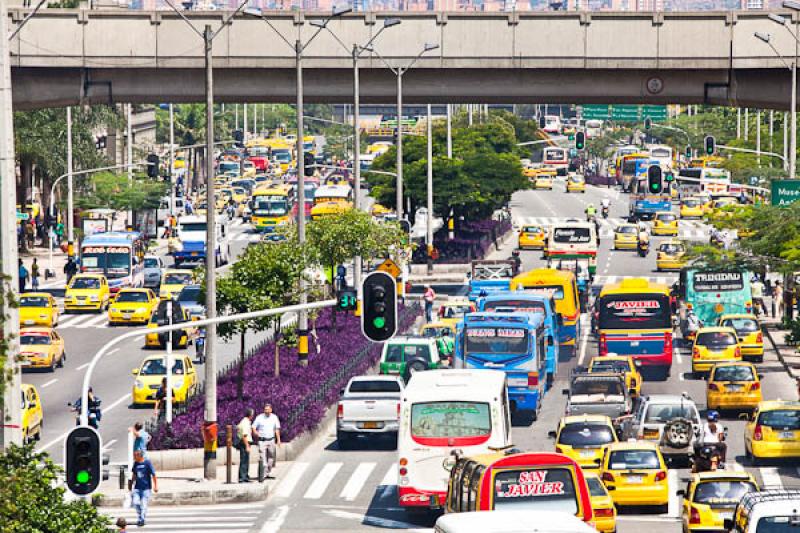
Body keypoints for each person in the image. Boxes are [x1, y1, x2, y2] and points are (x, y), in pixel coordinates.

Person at [251, 403, 281, 482]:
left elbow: (277, 429)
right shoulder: (259, 417)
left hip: (271, 440)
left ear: (271, 410)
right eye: (265, 409)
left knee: (271, 458)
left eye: (268, 409)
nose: (267, 411)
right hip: (262, 440)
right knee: (262, 458)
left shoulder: (274, 417)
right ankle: (263, 474)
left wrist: (278, 440)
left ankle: (267, 472)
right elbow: (253, 427)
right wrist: (255, 433)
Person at [128, 449, 158, 527]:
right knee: (135, 503)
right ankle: (140, 515)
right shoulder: (135, 464)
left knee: (144, 505)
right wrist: (130, 485)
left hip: (146, 488)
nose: (134, 457)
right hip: (137, 488)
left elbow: (153, 474)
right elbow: (134, 475)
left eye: (135, 455)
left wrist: (156, 486)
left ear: (139, 456)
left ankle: (141, 519)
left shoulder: (147, 463)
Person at [237, 408, 255, 483]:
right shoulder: (245, 422)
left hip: (246, 442)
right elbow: (244, 436)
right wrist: (247, 445)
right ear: (250, 415)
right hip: (244, 443)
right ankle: (242, 477)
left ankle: (245, 476)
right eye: (252, 414)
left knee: (246, 460)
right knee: (244, 460)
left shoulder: (247, 422)